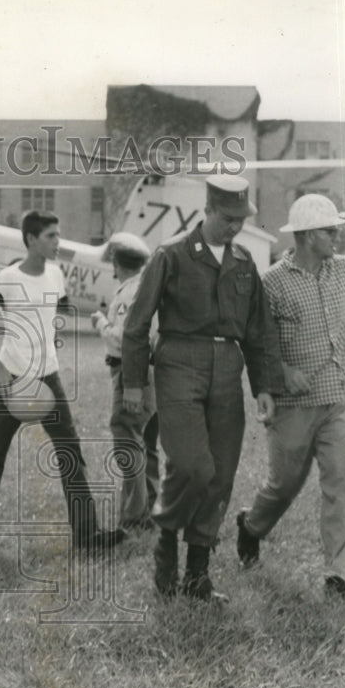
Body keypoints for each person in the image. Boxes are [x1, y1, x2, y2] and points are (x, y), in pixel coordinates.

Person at [121, 174, 284, 602]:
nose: (234, 226)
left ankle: (197, 575)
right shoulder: (170, 255)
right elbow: (136, 324)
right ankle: (165, 544)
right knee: (194, 467)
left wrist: (263, 386)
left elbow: (258, 332)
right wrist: (134, 384)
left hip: (227, 368)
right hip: (178, 361)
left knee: (221, 474)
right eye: (228, 218)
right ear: (208, 210)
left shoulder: (245, 262)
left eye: (240, 219)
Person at [234, 194, 345, 601]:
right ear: (307, 236)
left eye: (340, 230)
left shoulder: (342, 271)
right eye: (331, 231)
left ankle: (336, 574)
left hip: (335, 401)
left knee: (338, 484)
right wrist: (283, 373)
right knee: (284, 485)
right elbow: (255, 339)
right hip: (291, 406)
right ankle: (251, 527)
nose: (338, 237)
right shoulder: (271, 281)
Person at [0, 209, 126, 554]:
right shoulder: (8, 278)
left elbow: (51, 316)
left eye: (58, 234)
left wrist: (46, 349)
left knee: (71, 453)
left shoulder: (56, 275)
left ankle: (88, 536)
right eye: (51, 236)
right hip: (12, 379)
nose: (58, 242)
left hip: (48, 380)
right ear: (30, 240)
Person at [90, 232, 159, 531]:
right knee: (147, 444)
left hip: (130, 372)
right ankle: (150, 510)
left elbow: (125, 338)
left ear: (118, 262)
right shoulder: (148, 288)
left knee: (127, 442)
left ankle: (134, 516)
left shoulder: (127, 293)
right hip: (153, 373)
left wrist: (101, 324)